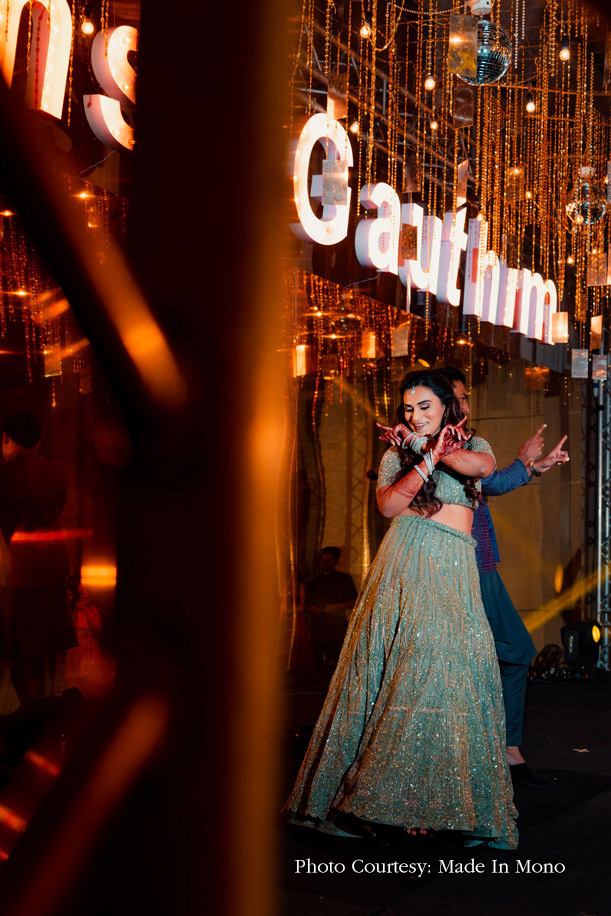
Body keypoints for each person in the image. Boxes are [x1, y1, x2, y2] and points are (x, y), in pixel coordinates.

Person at [283, 370, 518, 849]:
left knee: (455, 674)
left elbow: (479, 468)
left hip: (454, 566)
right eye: (409, 409)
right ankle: (389, 803)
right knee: (407, 672)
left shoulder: (475, 443)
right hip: (407, 562)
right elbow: (390, 507)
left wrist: (425, 446)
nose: (415, 416)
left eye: (426, 407)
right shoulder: (395, 455)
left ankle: (446, 803)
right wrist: (422, 456)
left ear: (447, 406)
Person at [440, 367, 569, 789]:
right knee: (510, 652)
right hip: (462, 566)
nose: (466, 404)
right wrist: (526, 464)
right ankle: (499, 752)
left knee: (508, 653)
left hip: (475, 564)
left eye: (466, 397)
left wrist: (534, 466)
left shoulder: (463, 442)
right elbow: (486, 481)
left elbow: (489, 483)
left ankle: (502, 750)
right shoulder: (434, 445)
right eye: (458, 397)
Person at [0, 413, 77, 705]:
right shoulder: (57, 473)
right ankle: (46, 717)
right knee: (46, 656)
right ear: (39, 442)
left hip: (14, 576)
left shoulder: (5, 475)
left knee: (19, 656)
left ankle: (30, 719)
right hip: (51, 572)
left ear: (6, 438)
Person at [304, 547, 357, 668]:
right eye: (322, 560)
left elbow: (353, 602)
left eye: (328, 560)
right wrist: (312, 608)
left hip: (336, 627)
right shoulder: (314, 581)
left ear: (336, 561)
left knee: (334, 661)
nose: (324, 563)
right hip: (317, 627)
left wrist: (331, 608)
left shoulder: (344, 579)